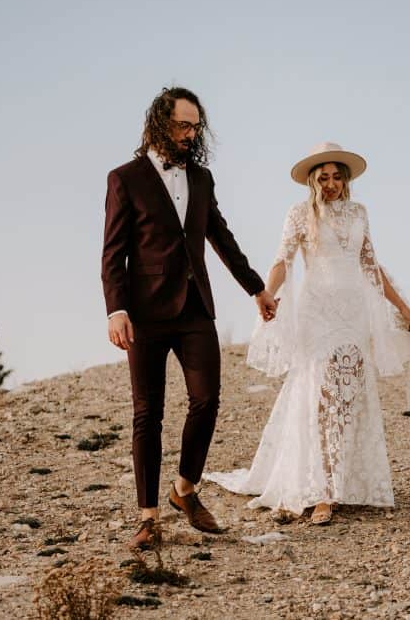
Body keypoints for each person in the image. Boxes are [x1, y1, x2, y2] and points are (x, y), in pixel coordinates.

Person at [101, 87, 278, 550]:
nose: (190, 133)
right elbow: (113, 253)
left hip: (196, 307)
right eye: (183, 125)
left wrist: (256, 287)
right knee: (148, 415)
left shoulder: (201, 178)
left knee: (207, 399)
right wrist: (116, 310)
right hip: (144, 314)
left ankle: (184, 489)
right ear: (161, 123)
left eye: (195, 126)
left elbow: (221, 236)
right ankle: (148, 517)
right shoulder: (125, 178)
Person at [205, 142, 410, 525]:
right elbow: (283, 260)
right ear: (313, 182)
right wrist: (266, 294)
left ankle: (340, 483)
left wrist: (404, 309)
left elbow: (372, 267)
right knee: (320, 397)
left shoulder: (359, 213)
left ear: (345, 180)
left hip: (354, 315)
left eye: (337, 177)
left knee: (347, 398)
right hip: (318, 314)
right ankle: (319, 492)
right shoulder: (300, 214)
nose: (331, 183)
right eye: (324, 177)